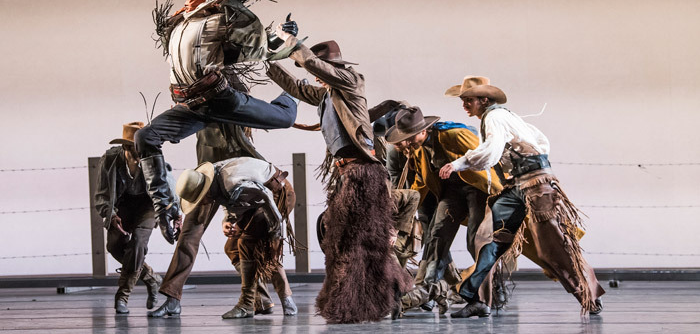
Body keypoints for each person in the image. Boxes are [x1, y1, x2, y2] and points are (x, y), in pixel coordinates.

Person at [135, 0, 298, 245]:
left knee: (284, 118)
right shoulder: (178, 26)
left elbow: (257, 48)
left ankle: (292, 94)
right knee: (145, 136)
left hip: (219, 100)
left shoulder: (220, 21)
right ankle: (166, 210)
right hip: (190, 107)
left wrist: (284, 38)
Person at [267, 29, 413, 323]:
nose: (318, 77)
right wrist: (267, 57)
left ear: (333, 68)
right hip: (350, 174)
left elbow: (313, 66)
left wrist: (293, 45)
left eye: (322, 70)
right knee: (350, 238)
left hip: (364, 173)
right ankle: (397, 289)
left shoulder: (351, 82)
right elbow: (296, 87)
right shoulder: (327, 95)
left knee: (354, 240)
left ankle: (382, 295)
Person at [438, 76, 605, 317]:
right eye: (462, 100)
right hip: (518, 185)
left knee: (552, 246)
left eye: (468, 100)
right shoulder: (502, 116)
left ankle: (588, 295)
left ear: (484, 100)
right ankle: (478, 299)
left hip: (536, 185)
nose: (464, 105)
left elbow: (490, 152)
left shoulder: (495, 117)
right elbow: (539, 141)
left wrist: (459, 163)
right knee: (487, 238)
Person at [385, 107, 501, 316]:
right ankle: (423, 291)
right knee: (435, 237)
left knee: (476, 242)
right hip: (451, 194)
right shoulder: (419, 149)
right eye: (406, 138)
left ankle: (482, 300)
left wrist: (502, 197)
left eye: (411, 137)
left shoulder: (454, 134)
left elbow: (486, 158)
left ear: (423, 130)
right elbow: (421, 181)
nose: (408, 142)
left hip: (478, 189)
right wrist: (405, 207)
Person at [148, 157, 296, 319]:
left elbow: (265, 195)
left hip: (278, 195)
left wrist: (275, 231)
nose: (202, 202)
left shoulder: (233, 183)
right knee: (232, 247)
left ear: (205, 191)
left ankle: (250, 303)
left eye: (200, 199)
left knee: (250, 244)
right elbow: (231, 199)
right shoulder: (216, 178)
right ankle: (263, 300)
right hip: (257, 201)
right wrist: (230, 219)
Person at [94, 122, 163, 314]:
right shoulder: (110, 159)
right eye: (136, 145)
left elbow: (165, 188)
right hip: (122, 205)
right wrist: (112, 214)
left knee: (138, 244)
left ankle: (122, 296)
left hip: (147, 206)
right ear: (126, 146)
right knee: (115, 247)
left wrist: (170, 213)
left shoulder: (152, 157)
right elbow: (101, 194)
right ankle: (150, 278)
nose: (141, 149)